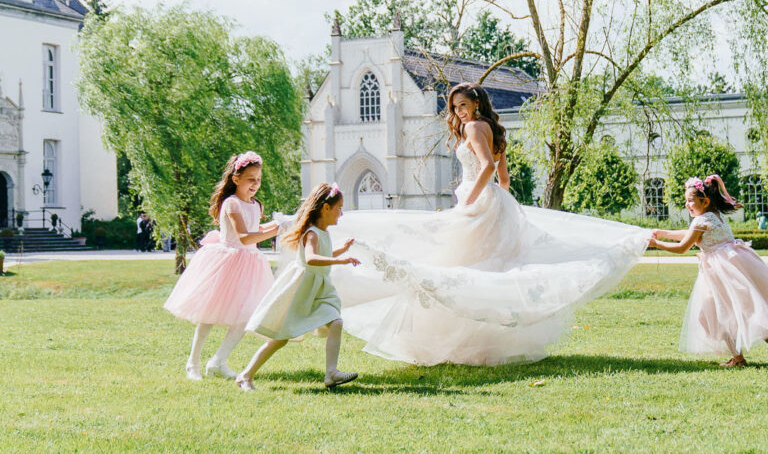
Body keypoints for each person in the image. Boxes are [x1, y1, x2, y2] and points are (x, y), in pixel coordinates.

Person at [329, 82, 652, 366]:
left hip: (479, 201)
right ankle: (486, 344)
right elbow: (505, 179)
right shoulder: (494, 130)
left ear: (477, 104)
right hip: (494, 202)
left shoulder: (473, 129)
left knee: (460, 266)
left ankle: (469, 343)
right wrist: (496, 203)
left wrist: (470, 200)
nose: (460, 113)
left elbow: (484, 166)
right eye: (455, 108)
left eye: (464, 106)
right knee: (486, 269)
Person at [164, 151, 278, 380]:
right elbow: (244, 237)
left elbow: (257, 230)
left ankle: (218, 361)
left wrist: (280, 224)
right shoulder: (232, 203)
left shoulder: (256, 205)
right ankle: (192, 363)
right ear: (236, 179)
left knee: (245, 317)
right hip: (228, 262)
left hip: (250, 264)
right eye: (250, 179)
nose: (255, 184)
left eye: (258, 179)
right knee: (209, 314)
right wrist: (277, 229)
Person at [236, 183, 360, 391]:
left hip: (320, 289)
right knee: (280, 338)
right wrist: (341, 261)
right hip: (302, 290)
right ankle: (245, 375)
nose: (341, 213)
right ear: (325, 208)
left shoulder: (323, 232)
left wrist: (341, 250)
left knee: (336, 322)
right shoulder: (311, 233)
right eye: (339, 208)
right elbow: (311, 259)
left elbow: (324, 255)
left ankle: (331, 372)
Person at [649, 174, 768, 367]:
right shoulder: (714, 215)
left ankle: (738, 358)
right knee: (737, 310)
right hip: (731, 266)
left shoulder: (701, 220)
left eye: (691, 201)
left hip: (720, 271)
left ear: (704, 201)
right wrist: (663, 233)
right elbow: (691, 234)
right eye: (686, 201)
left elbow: (682, 247)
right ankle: (737, 358)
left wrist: (657, 243)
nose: (687, 205)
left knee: (717, 314)